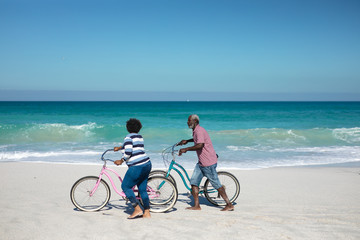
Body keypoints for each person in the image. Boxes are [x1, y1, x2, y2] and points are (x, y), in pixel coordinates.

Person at [178, 114, 234, 211]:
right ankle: (197, 206)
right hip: (201, 163)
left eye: (189, 120)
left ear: (194, 121)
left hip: (208, 163)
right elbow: (197, 140)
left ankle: (229, 204)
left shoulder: (199, 131)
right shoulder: (196, 130)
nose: (187, 122)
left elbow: (200, 145)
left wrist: (186, 149)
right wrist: (187, 141)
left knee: (216, 185)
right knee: (194, 183)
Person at [113, 118, 152, 219]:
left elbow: (129, 152)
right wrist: (120, 148)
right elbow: (134, 147)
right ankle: (147, 212)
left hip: (137, 166)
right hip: (147, 164)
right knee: (142, 190)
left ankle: (137, 209)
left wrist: (121, 160)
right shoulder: (139, 137)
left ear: (127, 128)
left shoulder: (128, 137)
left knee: (125, 187)